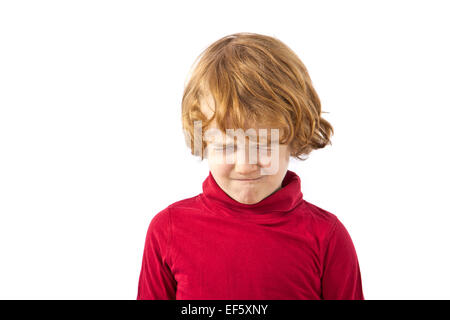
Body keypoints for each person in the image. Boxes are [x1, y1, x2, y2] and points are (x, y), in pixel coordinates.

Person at [137, 32, 364, 300]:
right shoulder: (168, 230)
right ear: (203, 142)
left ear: (294, 138)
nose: (245, 166)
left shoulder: (327, 237)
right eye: (226, 146)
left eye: (263, 144)